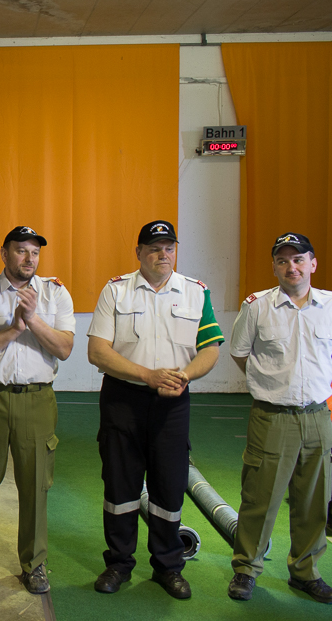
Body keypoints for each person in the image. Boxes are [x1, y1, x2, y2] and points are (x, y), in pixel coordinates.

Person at [86, 220, 223, 600]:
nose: (163, 254)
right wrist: (147, 375)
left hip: (173, 403)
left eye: (169, 248)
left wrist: (184, 376)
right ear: (139, 252)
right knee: (120, 485)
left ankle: (168, 566)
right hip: (123, 401)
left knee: (169, 485)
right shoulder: (116, 291)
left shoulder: (196, 292)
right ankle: (119, 563)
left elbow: (210, 348)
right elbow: (98, 352)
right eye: (154, 248)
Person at [226, 232, 332, 604]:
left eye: (299, 259)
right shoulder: (257, 306)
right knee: (259, 497)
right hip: (272, 417)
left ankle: (305, 572)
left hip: (317, 417)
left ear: (313, 263)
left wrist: (316, 383)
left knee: (314, 499)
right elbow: (239, 353)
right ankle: (246, 569)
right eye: (283, 260)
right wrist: (270, 384)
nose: (292, 267)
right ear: (274, 267)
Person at [0, 226, 75, 593]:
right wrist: (13, 329)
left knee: (35, 486)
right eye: (21, 250)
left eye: (34, 252)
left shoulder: (55, 293)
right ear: (4, 253)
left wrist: (33, 319)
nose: (29, 258)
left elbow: (64, 348)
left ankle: (34, 565)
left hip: (37, 400)